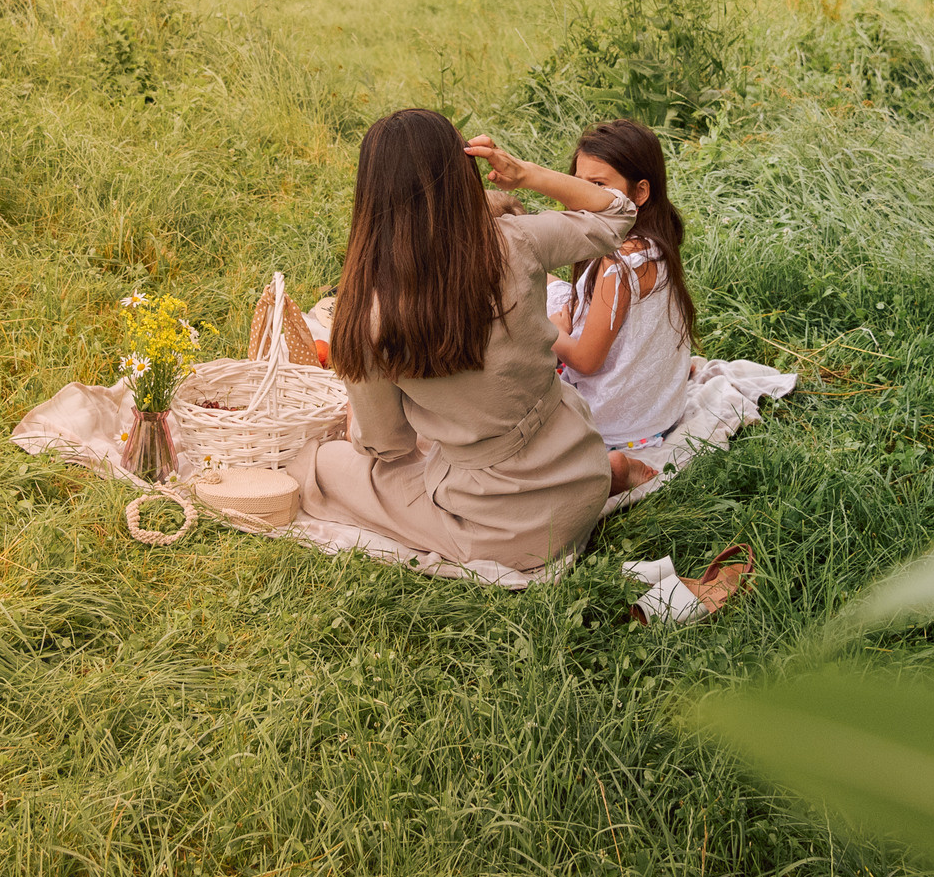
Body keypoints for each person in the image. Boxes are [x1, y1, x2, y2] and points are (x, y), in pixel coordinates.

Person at [287, 108, 637, 572]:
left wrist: (361, 411)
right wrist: (526, 175)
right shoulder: (517, 240)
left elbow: (388, 447)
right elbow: (619, 211)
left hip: (504, 531)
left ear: (370, 194)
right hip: (580, 474)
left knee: (315, 463)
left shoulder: (367, 313)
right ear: (463, 174)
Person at [545, 120, 697, 496]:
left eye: (598, 186)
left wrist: (551, 332)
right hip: (657, 411)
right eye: (579, 184)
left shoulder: (619, 265)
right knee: (538, 282)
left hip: (612, 425)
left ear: (640, 192)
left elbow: (585, 361)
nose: (583, 197)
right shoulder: (652, 242)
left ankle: (605, 470)